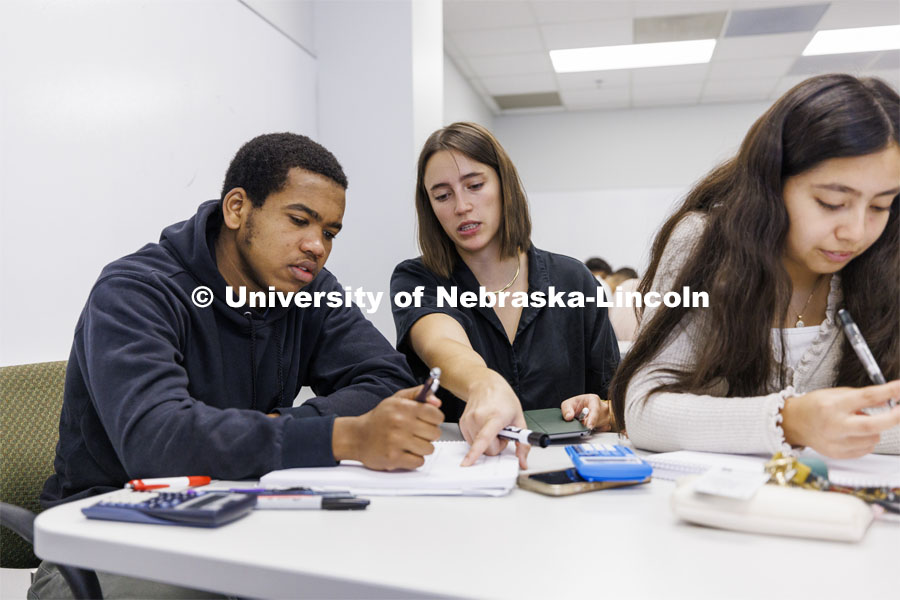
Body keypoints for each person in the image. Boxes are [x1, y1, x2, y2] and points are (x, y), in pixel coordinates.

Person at [31, 133, 444, 599]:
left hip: (244, 518)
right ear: (237, 209)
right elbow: (159, 442)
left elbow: (388, 378)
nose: (316, 246)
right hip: (111, 537)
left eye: (329, 232)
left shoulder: (307, 290)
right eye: (299, 220)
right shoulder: (135, 290)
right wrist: (341, 435)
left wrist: (286, 425)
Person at [610, 74, 900, 459]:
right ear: (772, 183)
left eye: (881, 206)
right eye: (831, 202)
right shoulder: (703, 243)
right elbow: (645, 412)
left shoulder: (887, 256)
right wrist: (790, 421)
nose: (857, 232)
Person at [391, 122, 619, 468]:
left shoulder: (574, 280)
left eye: (475, 185)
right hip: (467, 473)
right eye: (442, 195)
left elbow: (618, 399)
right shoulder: (417, 279)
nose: (462, 206)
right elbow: (442, 346)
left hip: (564, 472)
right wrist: (482, 384)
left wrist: (604, 411)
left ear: (504, 185)